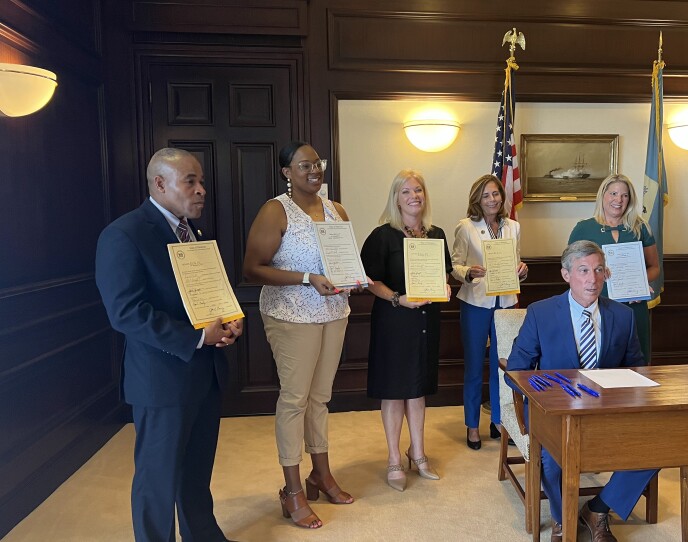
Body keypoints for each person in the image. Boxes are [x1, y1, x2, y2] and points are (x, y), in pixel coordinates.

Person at [95, 148, 243, 542]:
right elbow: (125, 312)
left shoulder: (195, 233)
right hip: (161, 380)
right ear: (159, 184)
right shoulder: (123, 234)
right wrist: (196, 336)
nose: (202, 191)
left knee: (196, 473)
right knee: (157, 480)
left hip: (204, 374)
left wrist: (230, 317)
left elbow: (206, 295)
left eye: (201, 181)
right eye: (190, 181)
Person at [506, 240, 657, 542]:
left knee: (656, 445)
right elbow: (516, 371)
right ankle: (564, 519)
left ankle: (598, 509)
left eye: (599, 270)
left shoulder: (623, 316)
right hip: (555, 412)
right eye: (584, 270)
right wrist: (549, 389)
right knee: (550, 459)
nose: (593, 279)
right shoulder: (541, 312)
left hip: (607, 410)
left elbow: (637, 368)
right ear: (566, 275)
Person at [242, 141, 354, 529]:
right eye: (304, 165)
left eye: (317, 163)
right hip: (291, 315)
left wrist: (351, 278)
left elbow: (343, 260)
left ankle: (320, 474)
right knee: (295, 399)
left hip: (334, 313)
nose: (314, 170)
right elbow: (252, 268)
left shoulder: (336, 210)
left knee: (320, 398)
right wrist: (308, 279)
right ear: (287, 172)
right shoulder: (276, 210)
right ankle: (292, 491)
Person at [360, 169, 452, 492]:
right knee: (394, 389)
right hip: (395, 320)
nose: (414, 196)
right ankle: (393, 458)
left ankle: (419, 452)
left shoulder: (436, 234)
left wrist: (444, 286)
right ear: (396, 199)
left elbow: (445, 274)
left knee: (418, 388)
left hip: (427, 321)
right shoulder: (382, 236)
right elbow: (371, 282)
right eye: (406, 192)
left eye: (418, 190)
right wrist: (400, 299)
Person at [451, 174, 528, 450]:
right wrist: (468, 272)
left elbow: (516, 263)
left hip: (506, 302)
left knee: (503, 366)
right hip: (476, 302)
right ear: (477, 199)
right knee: (474, 366)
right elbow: (455, 265)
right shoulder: (466, 227)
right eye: (486, 195)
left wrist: (523, 270)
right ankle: (472, 425)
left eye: (495, 194)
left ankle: (499, 420)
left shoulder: (513, 227)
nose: (492, 199)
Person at [568, 173, 659, 363]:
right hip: (597, 307)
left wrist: (640, 284)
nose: (619, 200)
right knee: (602, 362)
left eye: (624, 195)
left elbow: (654, 267)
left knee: (636, 364)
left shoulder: (640, 227)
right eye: (613, 194)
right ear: (603, 195)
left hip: (634, 307)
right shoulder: (583, 229)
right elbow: (570, 269)